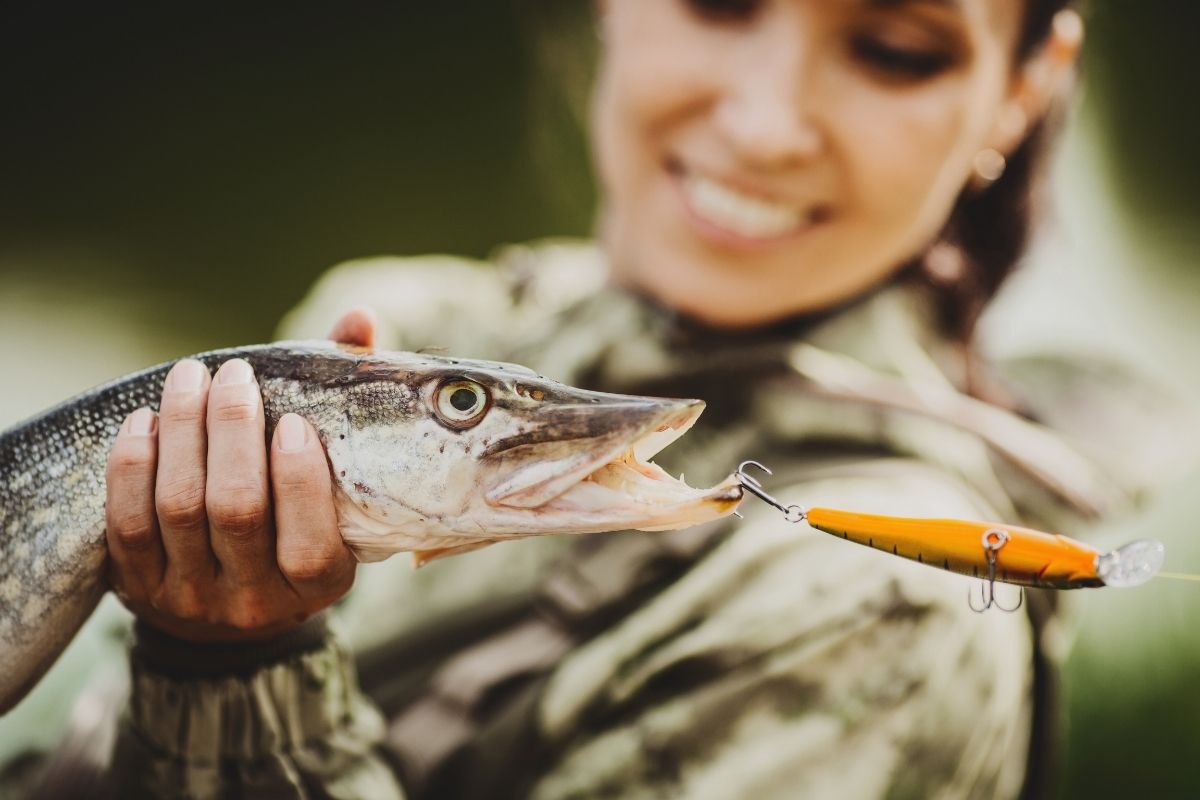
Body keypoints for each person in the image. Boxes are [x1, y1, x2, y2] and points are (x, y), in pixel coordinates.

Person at [8, 1, 1189, 797]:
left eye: (893, 46)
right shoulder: (407, 312)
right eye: (724, 0)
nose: (767, 124)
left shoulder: (889, 619)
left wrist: (231, 671)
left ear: (1024, 91)